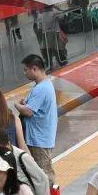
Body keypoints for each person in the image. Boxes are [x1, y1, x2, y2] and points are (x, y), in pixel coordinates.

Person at [14, 55, 57, 185]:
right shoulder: (45, 85)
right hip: (41, 137)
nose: (24, 73)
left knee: (44, 174)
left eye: (26, 70)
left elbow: (28, 111)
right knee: (41, 173)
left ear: (34, 69)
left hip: (39, 139)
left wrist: (17, 105)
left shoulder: (41, 88)